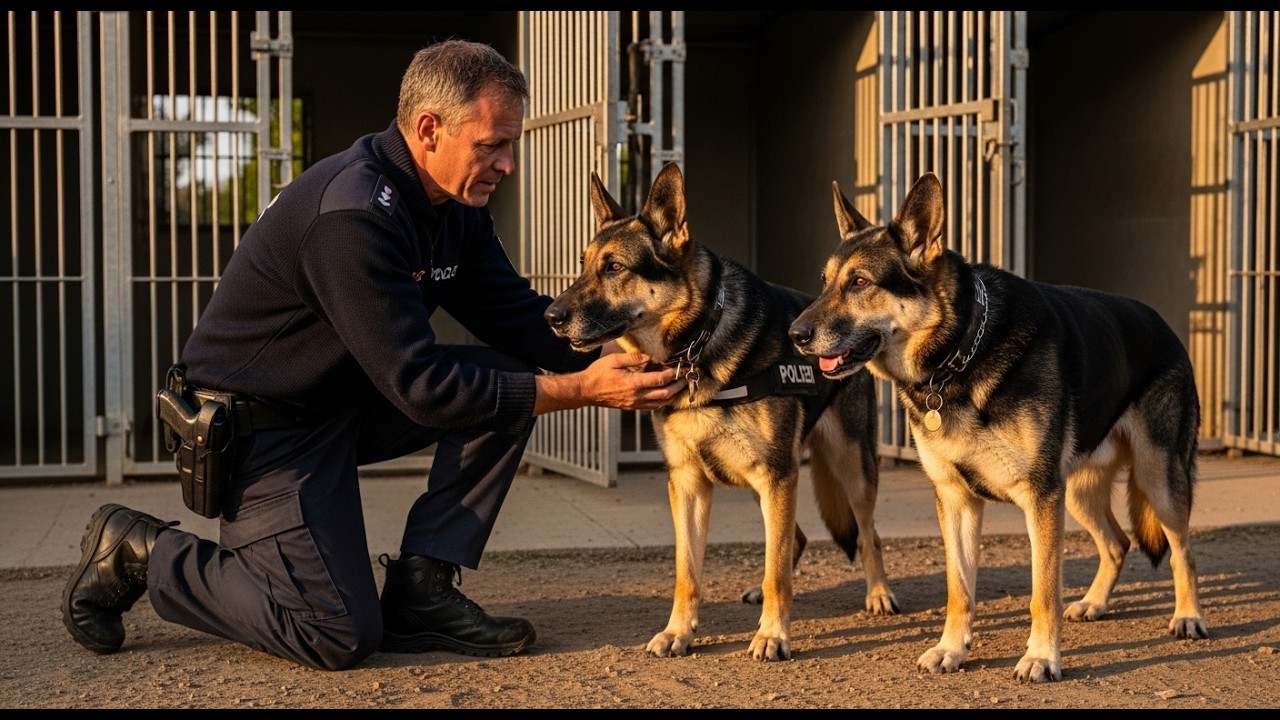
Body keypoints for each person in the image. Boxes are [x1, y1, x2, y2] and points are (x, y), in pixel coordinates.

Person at [61, 39, 684, 672]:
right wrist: (582, 390)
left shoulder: (453, 207)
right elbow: (422, 387)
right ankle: (142, 552)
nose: (509, 163)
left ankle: (421, 593)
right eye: (492, 144)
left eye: (511, 143)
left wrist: (650, 355)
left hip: (343, 404)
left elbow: (519, 319)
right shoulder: (352, 215)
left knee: (511, 379)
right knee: (336, 633)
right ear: (428, 129)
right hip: (263, 435)